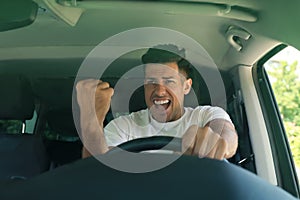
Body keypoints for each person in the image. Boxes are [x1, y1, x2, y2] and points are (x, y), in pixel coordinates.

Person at [76, 44, 238, 160]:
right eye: (151, 81)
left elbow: (227, 135)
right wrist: (91, 119)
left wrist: (217, 142)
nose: (159, 91)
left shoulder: (206, 115)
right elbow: (97, 171)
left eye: (169, 81)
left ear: (186, 86)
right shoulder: (123, 126)